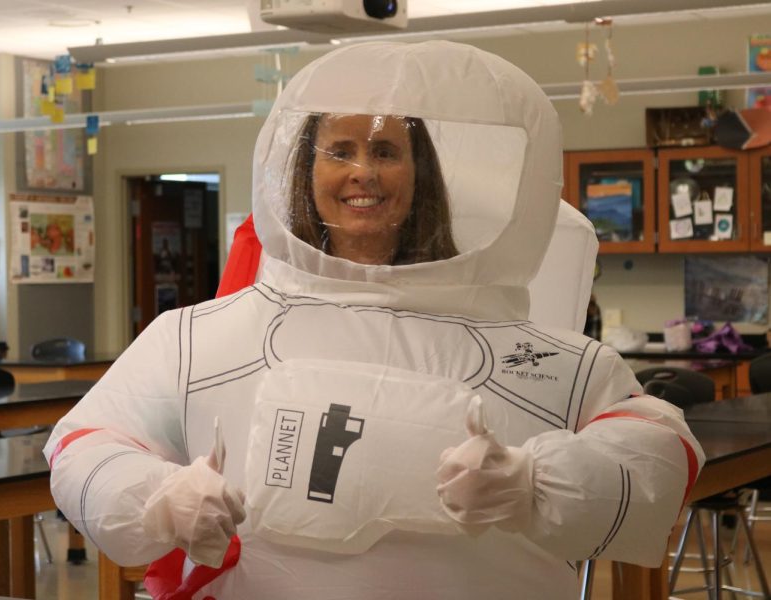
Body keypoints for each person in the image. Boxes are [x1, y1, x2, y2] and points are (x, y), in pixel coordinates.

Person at [47, 41, 703, 599]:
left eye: (387, 150)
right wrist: (158, 497)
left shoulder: (552, 361)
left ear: (421, 174)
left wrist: (538, 486)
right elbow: (83, 448)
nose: (364, 171)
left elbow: (663, 460)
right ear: (303, 170)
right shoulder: (200, 338)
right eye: (340, 149)